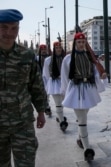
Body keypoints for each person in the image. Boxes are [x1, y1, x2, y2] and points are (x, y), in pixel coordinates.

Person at [0, 9, 47, 166]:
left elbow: (36, 86)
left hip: (22, 123)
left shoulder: (26, 55)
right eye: (4, 27)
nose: (9, 33)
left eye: (14, 28)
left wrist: (41, 111)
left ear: (18, 29)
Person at [60, 32, 107, 161]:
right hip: (76, 90)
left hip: (88, 89)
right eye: (79, 42)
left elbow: (95, 73)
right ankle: (87, 150)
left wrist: (102, 77)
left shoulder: (89, 56)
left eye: (83, 42)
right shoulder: (68, 59)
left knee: (83, 115)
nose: (81, 44)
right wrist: (64, 92)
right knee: (82, 119)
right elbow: (64, 76)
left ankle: (80, 138)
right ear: (75, 43)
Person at [43, 41, 68, 131]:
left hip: (64, 83)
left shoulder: (65, 59)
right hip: (54, 82)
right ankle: (62, 122)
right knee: (58, 103)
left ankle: (59, 116)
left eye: (60, 48)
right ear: (54, 49)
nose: (58, 49)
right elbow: (46, 74)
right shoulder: (48, 60)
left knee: (63, 102)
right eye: (57, 48)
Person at [37, 44, 52, 116]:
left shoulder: (50, 58)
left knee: (47, 93)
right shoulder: (37, 58)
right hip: (40, 78)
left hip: (48, 77)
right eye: (42, 50)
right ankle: (47, 107)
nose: (43, 51)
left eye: (44, 50)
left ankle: (47, 106)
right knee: (44, 93)